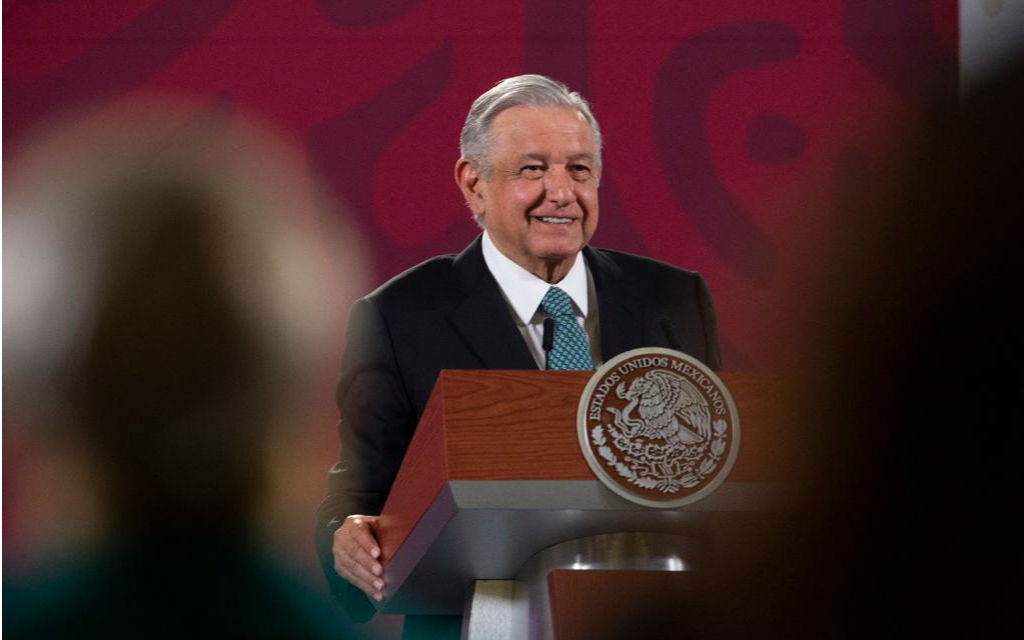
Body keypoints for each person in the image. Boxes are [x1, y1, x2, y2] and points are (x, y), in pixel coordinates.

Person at [315, 74, 721, 633]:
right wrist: (346, 538)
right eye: (533, 169)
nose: (562, 192)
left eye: (579, 169)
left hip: (649, 618)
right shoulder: (399, 316)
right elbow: (356, 496)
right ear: (474, 184)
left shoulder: (674, 300)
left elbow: (717, 472)